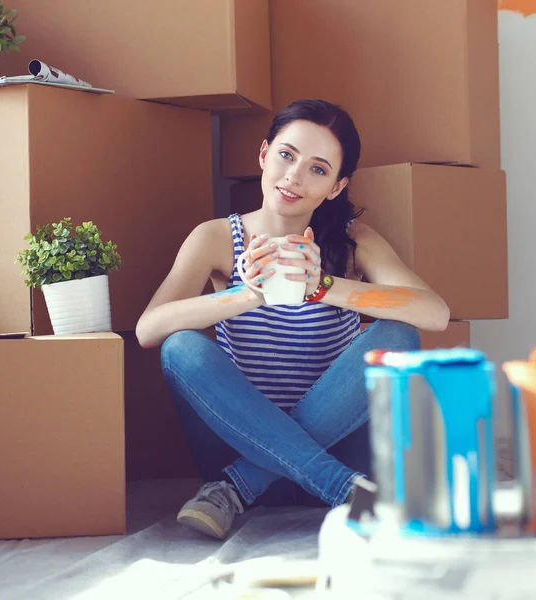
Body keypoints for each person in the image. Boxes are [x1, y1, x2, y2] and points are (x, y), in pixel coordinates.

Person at [135, 99, 450, 540]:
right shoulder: (217, 237)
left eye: (318, 169)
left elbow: (434, 314)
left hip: (328, 453)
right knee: (180, 346)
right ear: (264, 155)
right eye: (286, 155)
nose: (294, 177)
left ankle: (242, 486)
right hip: (238, 446)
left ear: (337, 187)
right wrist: (244, 296)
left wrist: (322, 287)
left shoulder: (352, 241)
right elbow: (149, 330)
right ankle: (341, 490)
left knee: (398, 332)